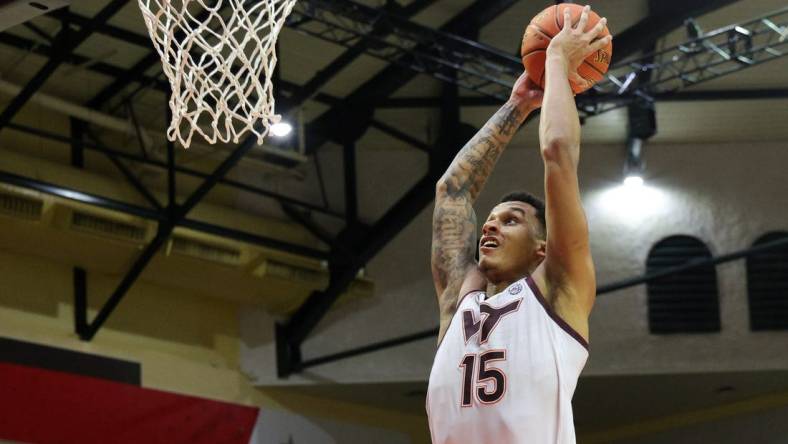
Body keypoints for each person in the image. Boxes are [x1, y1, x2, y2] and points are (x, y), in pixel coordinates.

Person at [426, 6, 611, 443]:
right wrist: (516, 106)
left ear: (543, 248)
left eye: (511, 221)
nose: (489, 228)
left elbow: (558, 152)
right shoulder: (459, 300)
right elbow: (452, 191)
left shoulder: (560, 289)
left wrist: (558, 64)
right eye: (490, 220)